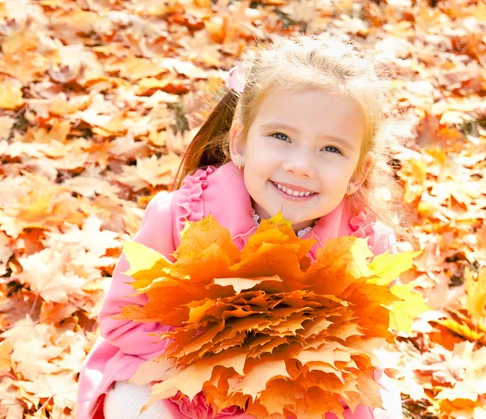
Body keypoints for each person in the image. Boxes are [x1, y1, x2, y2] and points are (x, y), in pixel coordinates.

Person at [77, 34, 409, 419]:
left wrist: (290, 372)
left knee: (380, 406)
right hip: (184, 378)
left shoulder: (366, 244)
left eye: (331, 149)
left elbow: (364, 344)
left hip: (295, 394)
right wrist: (213, 360)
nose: (300, 165)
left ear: (359, 172)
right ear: (240, 142)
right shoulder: (181, 216)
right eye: (280, 137)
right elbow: (122, 318)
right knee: (131, 401)